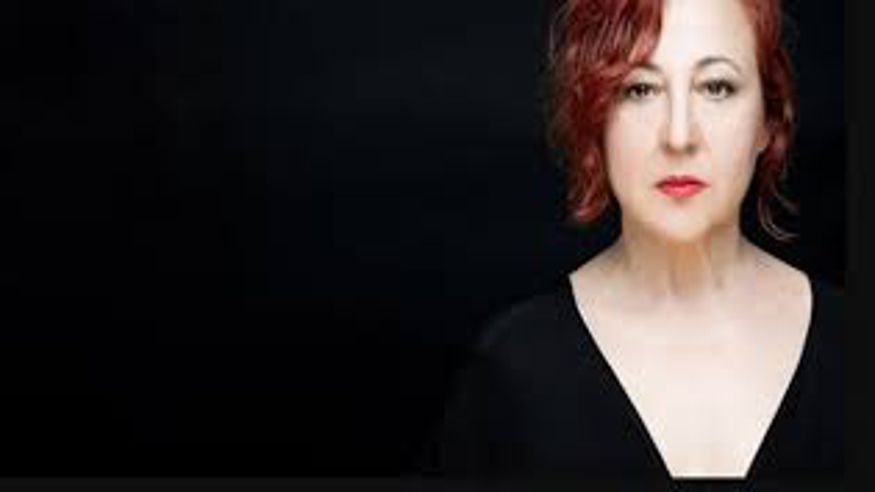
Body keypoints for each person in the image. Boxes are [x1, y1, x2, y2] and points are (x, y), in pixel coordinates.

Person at [419, 0, 842, 482]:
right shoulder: (514, 369)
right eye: (640, 89)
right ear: (596, 115)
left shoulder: (850, 345)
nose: (678, 136)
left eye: (717, 87)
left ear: (768, 119)